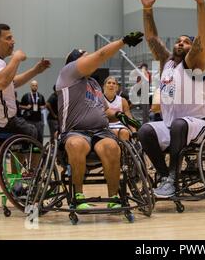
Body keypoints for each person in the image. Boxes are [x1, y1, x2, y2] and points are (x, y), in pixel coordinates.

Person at [136, 0, 205, 198]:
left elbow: (203, 34)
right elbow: (152, 38)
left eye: (186, 42)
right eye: (179, 41)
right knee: (145, 130)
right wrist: (147, 11)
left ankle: (173, 178)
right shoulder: (166, 63)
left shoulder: (193, 62)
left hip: (204, 125)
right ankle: (164, 176)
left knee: (180, 125)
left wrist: (200, 4)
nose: (181, 43)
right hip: (175, 126)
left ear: (192, 48)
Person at [56, 32, 143, 210]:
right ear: (75, 63)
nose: (91, 59)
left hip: (100, 132)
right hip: (75, 131)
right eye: (86, 57)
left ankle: (114, 197)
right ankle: (78, 196)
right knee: (76, 145)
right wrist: (123, 42)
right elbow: (100, 56)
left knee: (112, 147)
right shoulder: (67, 75)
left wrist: (120, 116)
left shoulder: (94, 84)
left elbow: (105, 110)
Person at [0, 24, 50, 138]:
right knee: (33, 131)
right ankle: (27, 156)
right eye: (8, 38)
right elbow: (2, 83)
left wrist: (35, 70)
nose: (13, 41)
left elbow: (11, 82)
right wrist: (16, 58)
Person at [103, 76, 138, 141]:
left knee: (125, 133)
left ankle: (123, 150)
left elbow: (128, 117)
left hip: (120, 125)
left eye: (114, 83)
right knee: (113, 132)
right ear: (104, 86)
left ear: (117, 87)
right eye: (109, 83)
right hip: (104, 126)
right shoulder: (100, 99)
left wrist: (134, 131)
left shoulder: (123, 100)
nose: (111, 85)